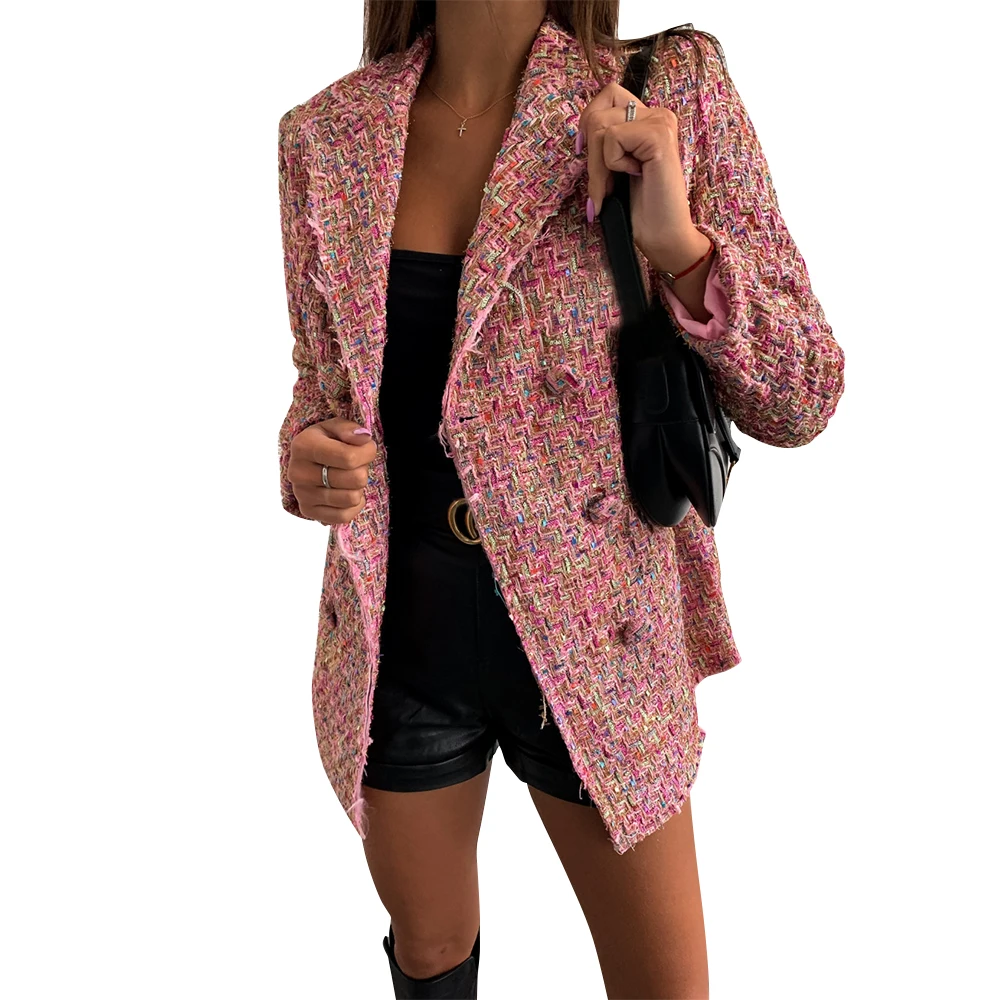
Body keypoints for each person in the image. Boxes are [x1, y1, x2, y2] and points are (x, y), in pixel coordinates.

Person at [276, 2, 845, 997]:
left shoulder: (664, 91)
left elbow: (803, 394)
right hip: (400, 632)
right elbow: (323, 388)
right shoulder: (327, 135)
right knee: (428, 952)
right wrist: (303, 459)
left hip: (596, 629)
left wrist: (682, 247)